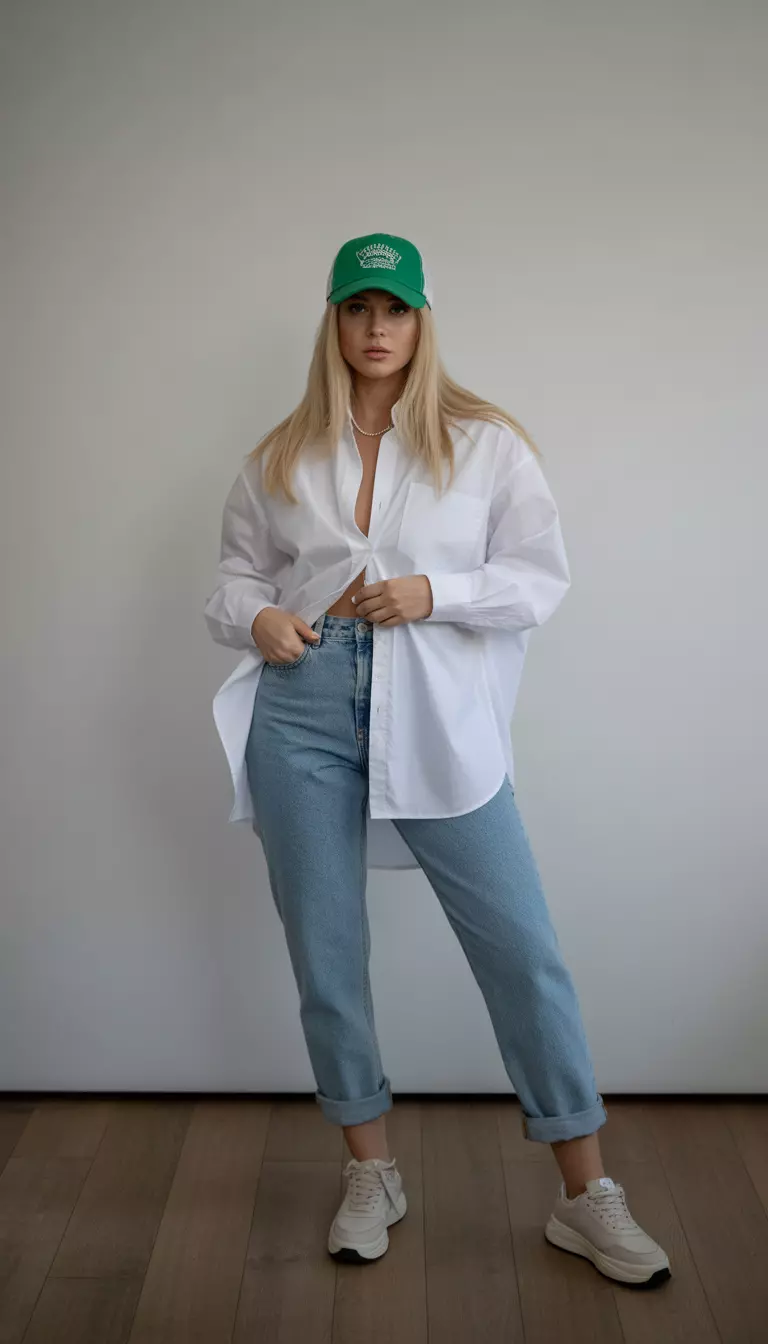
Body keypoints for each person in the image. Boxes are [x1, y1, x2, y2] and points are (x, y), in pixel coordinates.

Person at [204, 232, 671, 1286]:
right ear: (333, 321)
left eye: (397, 309)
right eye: (359, 309)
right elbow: (229, 578)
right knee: (328, 958)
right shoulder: (278, 455)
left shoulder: (485, 444)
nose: (378, 330)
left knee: (523, 954)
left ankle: (587, 1194)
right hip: (305, 714)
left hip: (439, 714)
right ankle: (371, 1169)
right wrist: (261, 616)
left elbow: (539, 580)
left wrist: (434, 595)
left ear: (424, 320)